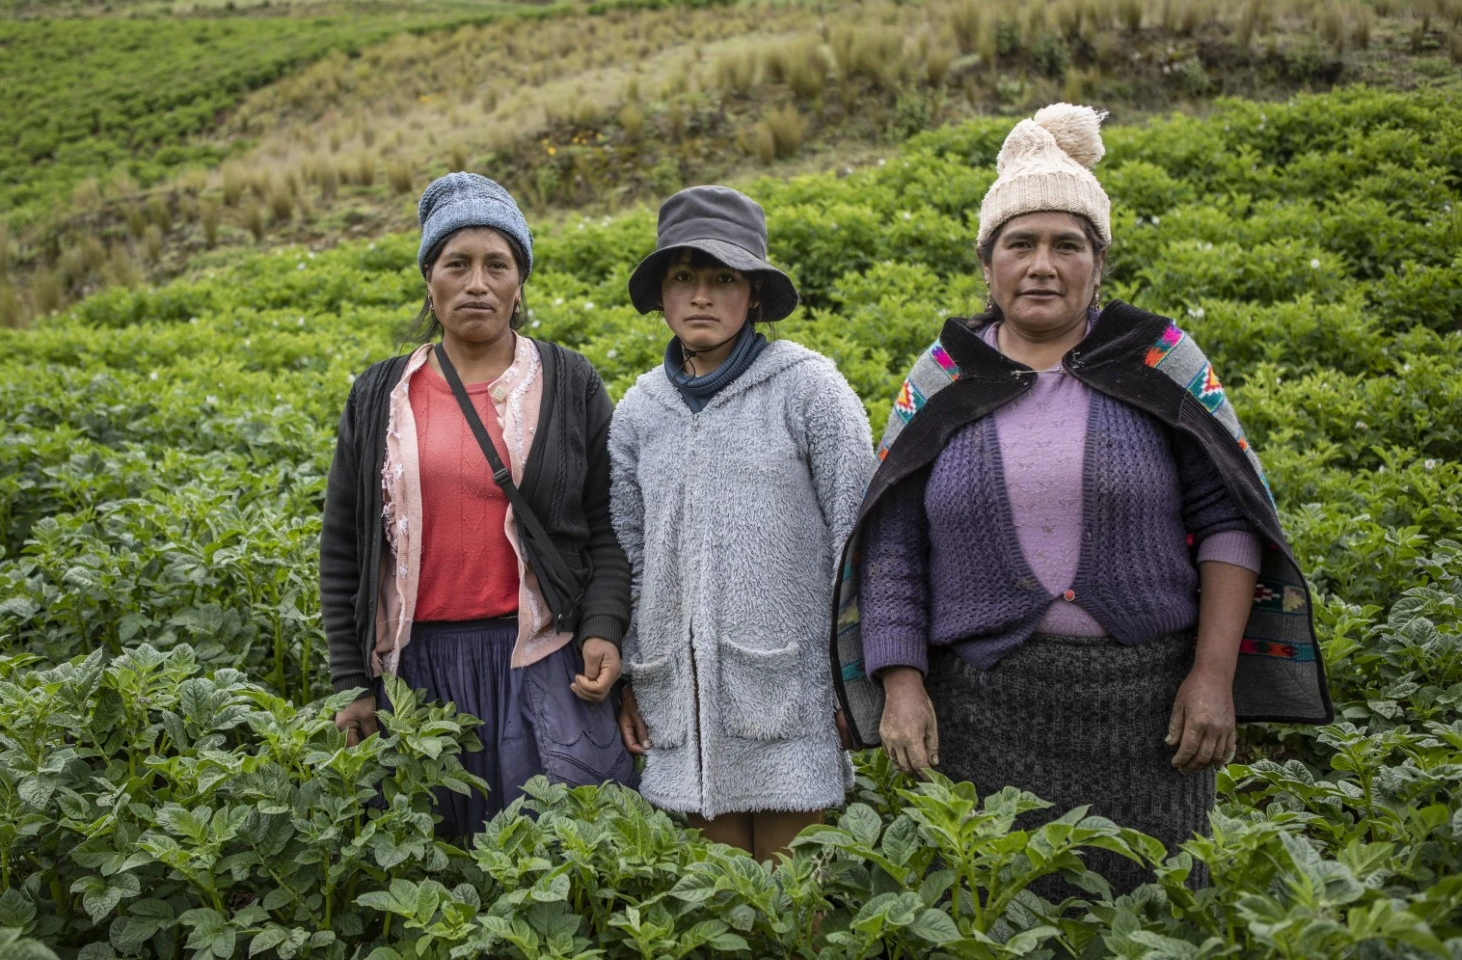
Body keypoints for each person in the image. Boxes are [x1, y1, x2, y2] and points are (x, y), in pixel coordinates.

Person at [831, 104, 1332, 895]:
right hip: (985, 712)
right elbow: (893, 542)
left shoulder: (1160, 358)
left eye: (1067, 245)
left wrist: (1213, 676)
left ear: (1099, 265)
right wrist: (901, 683)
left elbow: (1230, 519)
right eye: (1019, 244)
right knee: (1004, 916)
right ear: (987, 265)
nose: (1042, 264)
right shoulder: (940, 377)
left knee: (1154, 912)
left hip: (1151, 714)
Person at [319, 172, 636, 837]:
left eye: (498, 264)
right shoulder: (379, 395)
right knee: (437, 859)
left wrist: (604, 627)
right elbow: (344, 548)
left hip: (542, 661)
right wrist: (353, 682)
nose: (477, 282)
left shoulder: (570, 382)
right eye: (455, 264)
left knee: (554, 852)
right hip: (417, 669)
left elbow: (608, 528)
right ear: (428, 281)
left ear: (519, 283)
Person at [609, 185, 875, 862]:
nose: (701, 296)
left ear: (753, 294)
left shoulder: (809, 389)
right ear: (662, 296)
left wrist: (855, 683)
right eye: (684, 278)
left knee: (794, 906)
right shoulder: (639, 413)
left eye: (723, 278)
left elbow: (858, 539)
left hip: (791, 696)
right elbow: (629, 556)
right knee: (724, 908)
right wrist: (637, 680)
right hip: (682, 706)